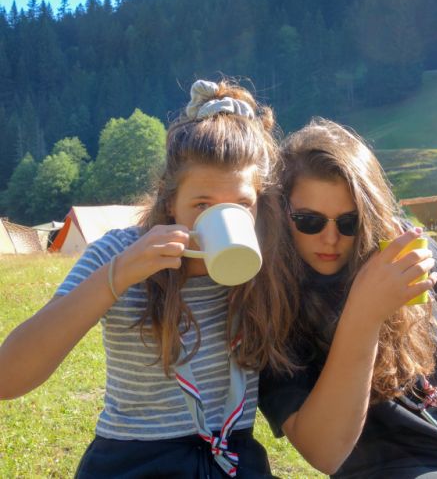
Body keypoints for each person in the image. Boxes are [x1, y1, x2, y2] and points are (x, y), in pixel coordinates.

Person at [0, 79, 299, 478]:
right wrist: (118, 275)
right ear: (170, 200)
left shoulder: (267, 265)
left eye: (242, 204)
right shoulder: (119, 251)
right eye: (202, 204)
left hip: (233, 459)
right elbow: (9, 377)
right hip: (134, 463)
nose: (223, 217)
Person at [259, 118, 437, 478]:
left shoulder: (405, 254)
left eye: (349, 222)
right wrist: (364, 313)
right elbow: (324, 452)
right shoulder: (273, 306)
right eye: (309, 221)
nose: (330, 238)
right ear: (281, 214)